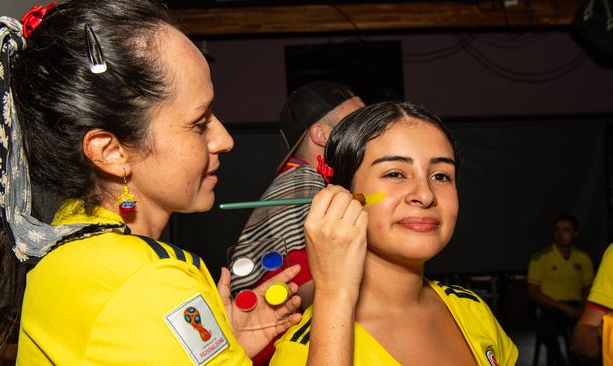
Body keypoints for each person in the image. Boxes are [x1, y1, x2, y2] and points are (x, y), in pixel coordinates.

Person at [0, 1, 366, 365]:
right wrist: (335, 292)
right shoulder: (142, 283)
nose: (224, 139)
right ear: (111, 151)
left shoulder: (74, 253)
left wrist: (229, 345)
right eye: (199, 123)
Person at [271, 101, 519, 365]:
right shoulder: (305, 352)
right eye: (395, 173)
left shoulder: (473, 310)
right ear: (342, 195)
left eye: (441, 176)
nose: (425, 195)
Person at [232, 81, 364, 309]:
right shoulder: (304, 184)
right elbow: (306, 289)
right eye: (356, 121)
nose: (370, 129)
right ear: (321, 135)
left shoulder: (308, 181)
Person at [527, 215, 594, 365]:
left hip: (577, 306)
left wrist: (583, 308)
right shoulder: (541, 258)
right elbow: (532, 293)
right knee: (546, 322)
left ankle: (579, 357)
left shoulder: (583, 259)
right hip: (551, 306)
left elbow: (588, 289)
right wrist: (564, 307)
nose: (560, 235)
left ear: (575, 233)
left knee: (591, 325)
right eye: (557, 230)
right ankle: (557, 357)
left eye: (566, 230)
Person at [572, 242, 613, 360]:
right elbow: (581, 335)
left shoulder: (583, 258)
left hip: (576, 304)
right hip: (567, 305)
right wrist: (605, 335)